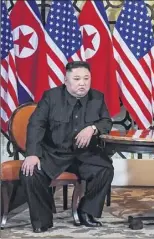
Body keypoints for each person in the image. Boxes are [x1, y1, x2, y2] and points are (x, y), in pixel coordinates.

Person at [20, 61, 114, 233]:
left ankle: (86, 211)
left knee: (105, 168)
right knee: (30, 172)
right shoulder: (51, 97)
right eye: (77, 78)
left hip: (84, 155)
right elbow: (36, 124)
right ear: (66, 80)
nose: (82, 83)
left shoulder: (97, 98)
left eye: (86, 78)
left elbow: (106, 122)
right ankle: (42, 220)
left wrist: (92, 128)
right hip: (55, 154)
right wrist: (32, 154)